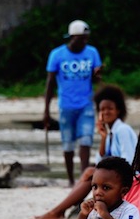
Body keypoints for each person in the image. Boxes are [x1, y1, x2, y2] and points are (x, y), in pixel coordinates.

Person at [31, 85, 137, 219]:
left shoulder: (122, 130)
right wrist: (103, 138)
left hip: (130, 180)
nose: (105, 112)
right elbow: (102, 161)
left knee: (91, 172)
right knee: (90, 172)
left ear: (118, 110)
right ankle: (59, 211)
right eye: (102, 109)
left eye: (109, 109)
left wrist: (95, 171)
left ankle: (57, 211)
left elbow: (128, 162)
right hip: (117, 177)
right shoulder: (110, 132)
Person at [44, 19, 103, 185]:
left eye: (86, 38)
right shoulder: (57, 55)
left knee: (85, 141)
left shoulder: (92, 52)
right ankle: (70, 180)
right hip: (66, 105)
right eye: (81, 38)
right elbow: (50, 83)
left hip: (86, 104)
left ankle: (83, 179)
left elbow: (95, 78)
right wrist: (46, 111)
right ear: (72, 37)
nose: (84, 41)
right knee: (68, 144)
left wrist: (97, 75)